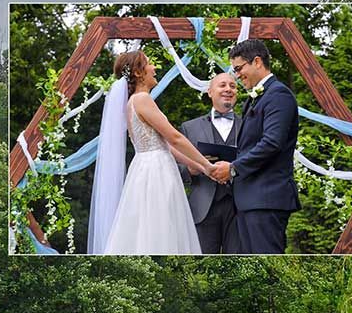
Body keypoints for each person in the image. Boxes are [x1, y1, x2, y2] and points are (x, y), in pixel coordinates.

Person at [98, 50, 214, 255]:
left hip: (147, 166)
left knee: (151, 224)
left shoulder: (132, 102)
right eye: (149, 64)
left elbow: (165, 145)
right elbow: (174, 138)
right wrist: (208, 165)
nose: (154, 68)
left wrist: (199, 166)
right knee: (160, 224)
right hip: (156, 171)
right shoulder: (142, 99)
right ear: (137, 72)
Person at [211, 39, 301, 254]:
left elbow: (272, 143)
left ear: (257, 62)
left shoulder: (278, 95)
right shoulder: (255, 99)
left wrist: (233, 168)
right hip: (250, 200)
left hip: (266, 199)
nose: (237, 75)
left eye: (239, 68)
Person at [177, 72, 242, 254]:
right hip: (203, 208)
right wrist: (191, 169)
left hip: (240, 207)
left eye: (233, 86)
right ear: (210, 92)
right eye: (222, 85)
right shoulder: (190, 128)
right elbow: (175, 168)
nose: (228, 89)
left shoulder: (249, 125)